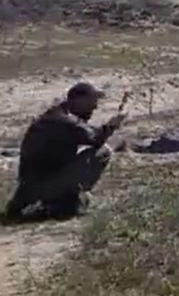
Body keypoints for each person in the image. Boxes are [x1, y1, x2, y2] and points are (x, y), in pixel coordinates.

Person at [5, 82, 123, 220]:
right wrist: (111, 126)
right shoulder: (63, 121)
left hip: (33, 184)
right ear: (78, 100)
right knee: (103, 152)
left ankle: (61, 201)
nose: (95, 107)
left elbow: (88, 132)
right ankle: (59, 201)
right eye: (92, 101)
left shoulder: (57, 116)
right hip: (40, 186)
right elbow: (95, 139)